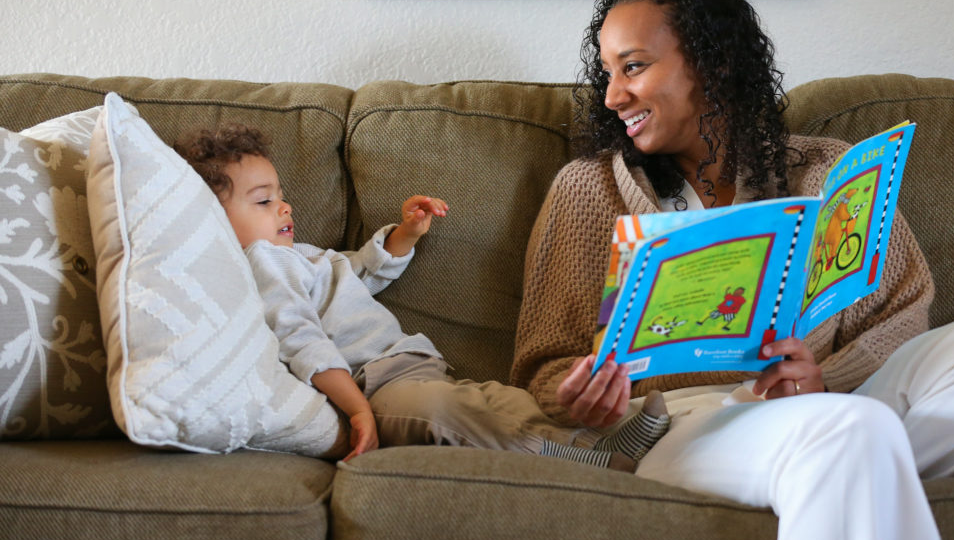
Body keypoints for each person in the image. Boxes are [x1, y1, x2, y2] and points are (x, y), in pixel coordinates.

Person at [509, 0, 954, 540]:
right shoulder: (588, 189)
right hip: (688, 425)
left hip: (834, 399)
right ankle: (855, 454)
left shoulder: (826, 170)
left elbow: (902, 312)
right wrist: (584, 401)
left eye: (633, 67)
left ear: (714, 65)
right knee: (853, 430)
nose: (612, 96)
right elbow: (541, 365)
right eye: (607, 72)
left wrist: (824, 380)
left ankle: (855, 462)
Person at [173, 123, 669, 470]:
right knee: (444, 413)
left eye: (280, 194)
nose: (284, 206)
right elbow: (300, 338)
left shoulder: (301, 256)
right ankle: (585, 462)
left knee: (500, 403)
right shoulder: (265, 262)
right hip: (376, 386)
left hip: (412, 365)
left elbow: (359, 272)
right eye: (264, 200)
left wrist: (404, 234)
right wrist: (357, 410)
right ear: (214, 221)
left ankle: (605, 439)